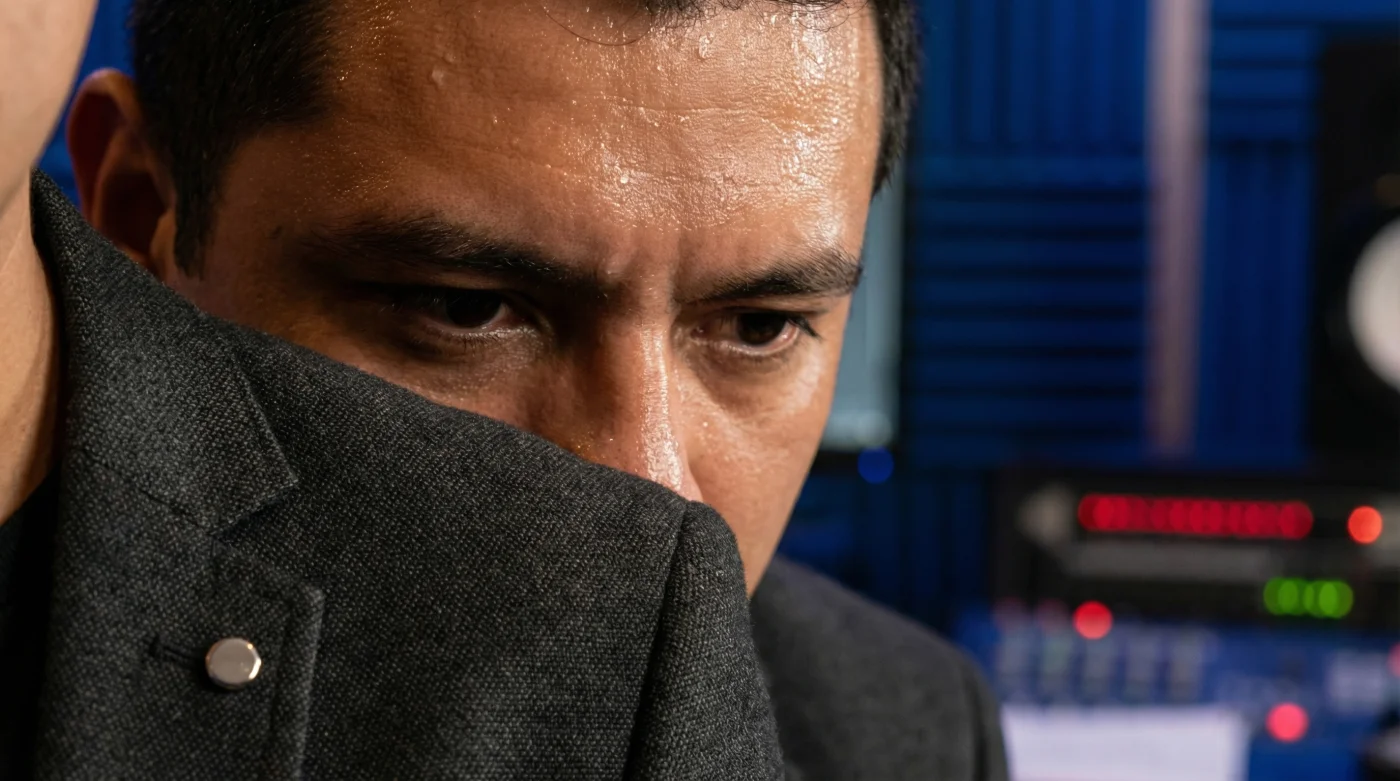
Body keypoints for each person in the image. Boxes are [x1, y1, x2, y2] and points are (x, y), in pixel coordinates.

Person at [68, 0, 1009, 778]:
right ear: (138, 221)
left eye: (758, 327)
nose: (652, 498)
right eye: (467, 309)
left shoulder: (910, 728)